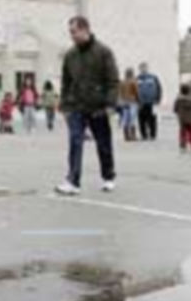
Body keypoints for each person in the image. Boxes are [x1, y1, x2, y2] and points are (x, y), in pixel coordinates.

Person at [55, 16, 120, 196]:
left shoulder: (104, 52)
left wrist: (110, 104)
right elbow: (66, 83)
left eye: (74, 32)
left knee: (103, 144)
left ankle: (108, 177)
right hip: (77, 106)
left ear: (85, 30)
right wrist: (64, 105)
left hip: (98, 107)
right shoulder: (70, 55)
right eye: (70, 32)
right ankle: (73, 181)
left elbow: (113, 80)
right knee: (75, 141)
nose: (72, 36)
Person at [136, 62, 162, 140]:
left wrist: (158, 99)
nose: (143, 69)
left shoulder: (153, 77)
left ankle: (153, 134)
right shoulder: (137, 78)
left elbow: (159, 88)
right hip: (140, 103)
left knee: (152, 119)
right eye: (142, 68)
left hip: (151, 102)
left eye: (145, 67)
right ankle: (144, 135)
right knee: (141, 120)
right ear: (139, 69)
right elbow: (133, 90)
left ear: (147, 68)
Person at [119, 68, 139, 141]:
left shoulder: (122, 82)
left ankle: (126, 136)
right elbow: (137, 92)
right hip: (132, 101)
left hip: (124, 102)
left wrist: (121, 100)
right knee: (132, 119)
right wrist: (138, 100)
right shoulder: (133, 82)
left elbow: (120, 93)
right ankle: (133, 135)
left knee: (125, 119)